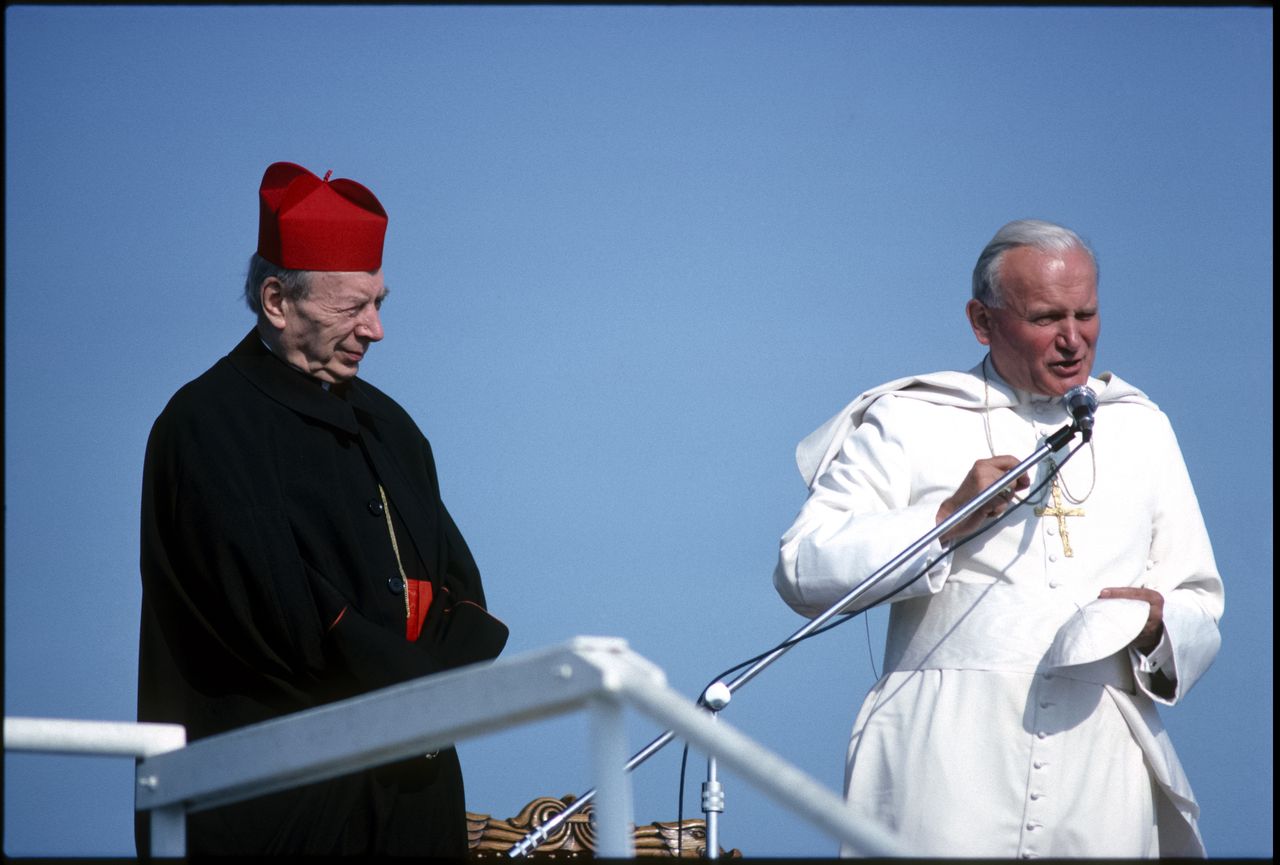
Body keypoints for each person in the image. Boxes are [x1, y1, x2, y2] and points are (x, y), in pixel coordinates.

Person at [773, 219, 1223, 858]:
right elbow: (801, 567)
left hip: (1100, 756)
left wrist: (1160, 624)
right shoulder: (910, 418)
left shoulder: (1141, 430)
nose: (1073, 340)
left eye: (1086, 314)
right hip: (943, 757)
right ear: (982, 322)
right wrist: (944, 519)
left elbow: (1198, 600)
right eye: (1046, 318)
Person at [136, 161, 508, 856]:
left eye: (380, 303)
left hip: (414, 804)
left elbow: (463, 590)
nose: (375, 330)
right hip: (283, 810)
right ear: (277, 300)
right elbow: (280, 618)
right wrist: (416, 693)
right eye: (352, 307)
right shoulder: (206, 426)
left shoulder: (392, 427)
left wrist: (430, 695)